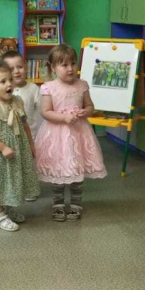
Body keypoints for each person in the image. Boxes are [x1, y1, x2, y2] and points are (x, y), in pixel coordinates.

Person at [35, 45, 107, 221]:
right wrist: (64, 118)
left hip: (78, 134)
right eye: (64, 65)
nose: (70, 68)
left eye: (73, 63)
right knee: (58, 169)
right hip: (56, 136)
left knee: (77, 168)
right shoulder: (48, 87)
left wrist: (85, 111)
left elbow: (90, 106)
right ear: (53, 67)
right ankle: (58, 204)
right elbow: (45, 112)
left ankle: (76, 203)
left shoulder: (82, 85)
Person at [0, 61, 39, 232]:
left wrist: (31, 144)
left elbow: (25, 124)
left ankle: (8, 206)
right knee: (0, 180)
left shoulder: (17, 101)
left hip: (18, 148)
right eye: (3, 81)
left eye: (10, 80)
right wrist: (3, 148)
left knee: (12, 178)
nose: (9, 84)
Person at [2, 49, 43, 137]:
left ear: (26, 68)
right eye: (11, 69)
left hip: (30, 137)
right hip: (8, 138)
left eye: (20, 67)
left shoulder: (33, 88)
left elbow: (42, 112)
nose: (16, 71)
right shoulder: (3, 90)